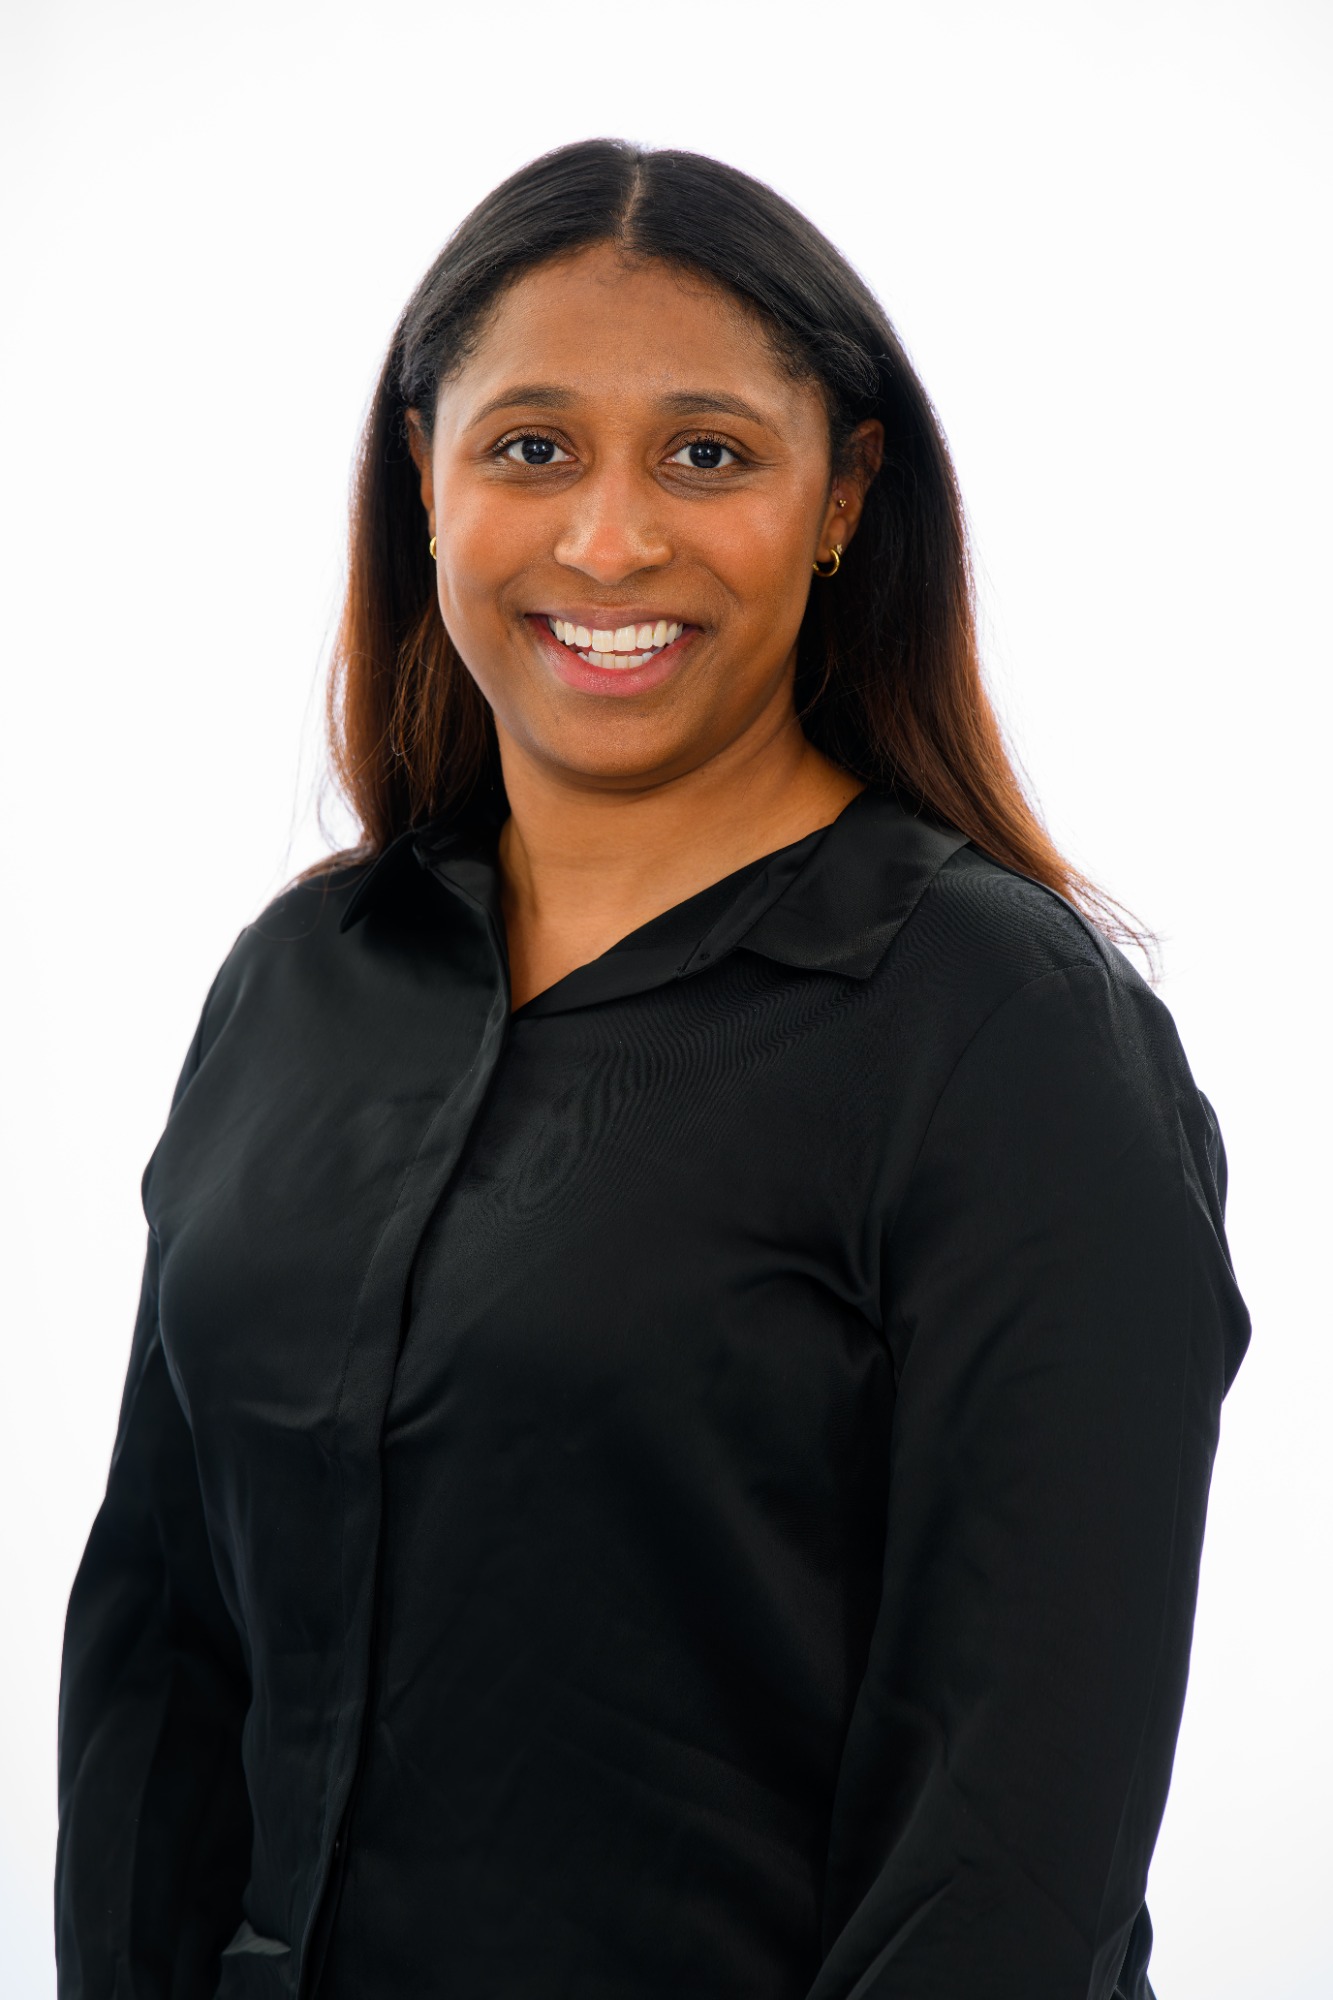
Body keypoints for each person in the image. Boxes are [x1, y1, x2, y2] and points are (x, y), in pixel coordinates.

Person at [54, 139, 1250, 2000]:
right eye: (530, 447)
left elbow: (1014, 1852)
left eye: (706, 453)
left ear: (844, 492)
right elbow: (158, 1652)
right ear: (423, 484)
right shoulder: (300, 981)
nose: (609, 542)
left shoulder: (1002, 1036)